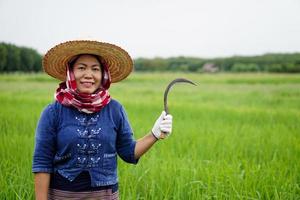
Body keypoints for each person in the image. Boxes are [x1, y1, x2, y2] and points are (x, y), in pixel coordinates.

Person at [32, 40, 173, 200]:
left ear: (103, 74)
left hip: (106, 196)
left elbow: (128, 153)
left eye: (95, 69)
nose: (88, 74)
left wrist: (154, 134)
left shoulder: (114, 109)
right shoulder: (53, 112)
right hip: (62, 195)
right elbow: (42, 162)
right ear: (70, 72)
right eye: (81, 68)